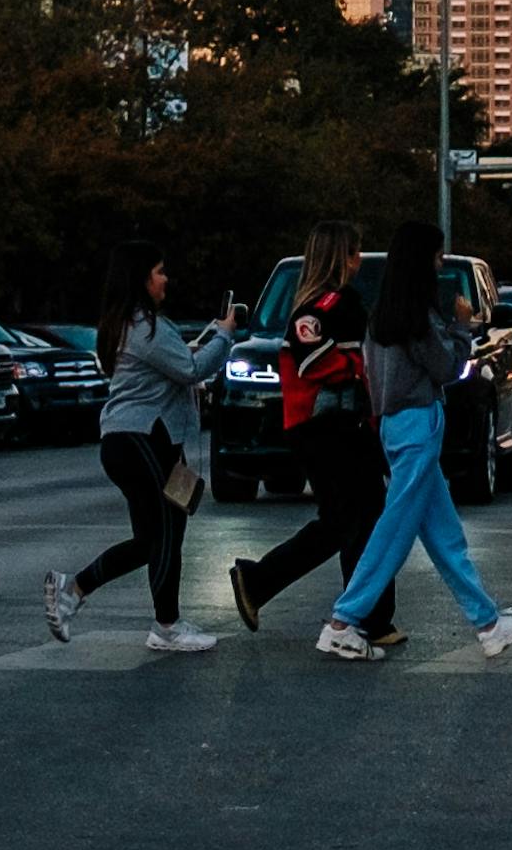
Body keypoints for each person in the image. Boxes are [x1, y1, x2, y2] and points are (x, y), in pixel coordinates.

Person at [318, 220, 512, 663]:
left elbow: (374, 377)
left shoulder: (381, 316)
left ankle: (488, 623)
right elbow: (449, 368)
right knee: (396, 527)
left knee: (443, 532)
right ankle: (343, 620)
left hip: (395, 425)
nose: (439, 266)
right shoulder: (418, 316)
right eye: (436, 257)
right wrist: (461, 327)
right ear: (422, 260)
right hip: (419, 424)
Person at [45, 244, 232, 654]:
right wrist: (225, 335)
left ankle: (74, 590)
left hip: (128, 441)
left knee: (152, 539)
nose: (166, 279)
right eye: (160, 271)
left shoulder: (124, 324)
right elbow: (191, 369)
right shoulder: (147, 325)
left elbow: (177, 364)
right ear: (143, 278)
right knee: (166, 530)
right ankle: (166, 625)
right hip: (141, 438)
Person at [227, 221, 399, 645]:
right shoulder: (324, 308)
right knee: (351, 519)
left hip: (332, 428)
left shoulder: (327, 305)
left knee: (359, 517)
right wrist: (360, 368)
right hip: (326, 427)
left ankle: (367, 616)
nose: (359, 262)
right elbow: (313, 363)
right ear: (342, 257)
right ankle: (359, 616)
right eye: (356, 253)